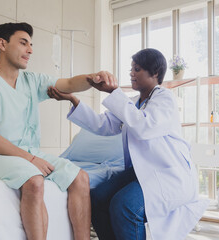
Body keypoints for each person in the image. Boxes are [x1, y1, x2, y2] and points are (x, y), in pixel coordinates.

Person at [0, 22, 117, 240]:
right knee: (34, 181)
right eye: (23, 43)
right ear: (3, 44)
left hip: (28, 153)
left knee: (80, 177)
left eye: (31, 45)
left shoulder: (32, 81)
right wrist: (31, 158)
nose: (30, 50)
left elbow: (69, 83)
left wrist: (94, 78)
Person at [47, 48, 209, 240]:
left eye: (137, 69)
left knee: (125, 205)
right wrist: (74, 100)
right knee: (97, 198)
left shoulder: (165, 98)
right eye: (131, 68)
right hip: (142, 172)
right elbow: (103, 126)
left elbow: (144, 127)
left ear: (155, 73)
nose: (131, 73)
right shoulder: (133, 102)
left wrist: (114, 92)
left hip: (168, 174)